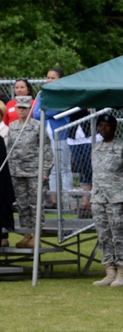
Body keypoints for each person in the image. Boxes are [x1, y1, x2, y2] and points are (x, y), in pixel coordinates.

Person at [89, 113, 123, 287]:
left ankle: (122, 272)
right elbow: (95, 175)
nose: (104, 129)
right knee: (103, 235)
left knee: (118, 235)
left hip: (118, 198)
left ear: (114, 127)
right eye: (101, 126)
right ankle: (109, 270)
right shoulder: (96, 147)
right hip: (99, 198)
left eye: (107, 126)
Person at [6, 96, 52, 248]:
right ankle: (27, 235)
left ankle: (37, 236)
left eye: (24, 108)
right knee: (22, 204)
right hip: (17, 172)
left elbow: (46, 150)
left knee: (36, 204)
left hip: (34, 172)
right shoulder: (12, 126)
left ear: (30, 109)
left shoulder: (38, 126)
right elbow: (9, 149)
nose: (21, 110)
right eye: (19, 107)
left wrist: (45, 171)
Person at [32, 68, 74, 208]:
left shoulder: (64, 93)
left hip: (60, 136)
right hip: (46, 136)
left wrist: (45, 111)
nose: (49, 80)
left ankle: (67, 201)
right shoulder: (42, 94)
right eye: (48, 77)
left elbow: (56, 111)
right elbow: (36, 114)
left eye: (53, 78)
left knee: (63, 168)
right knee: (51, 169)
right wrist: (46, 111)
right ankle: (55, 201)